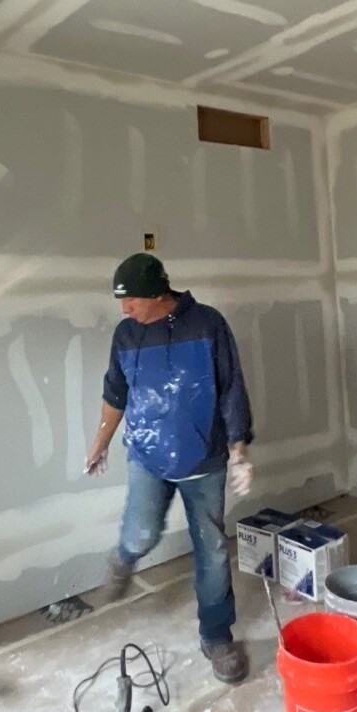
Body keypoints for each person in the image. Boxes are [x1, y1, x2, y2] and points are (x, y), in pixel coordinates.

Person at [86, 254, 254, 684]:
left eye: (131, 300)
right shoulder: (126, 335)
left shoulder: (207, 325)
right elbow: (115, 392)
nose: (125, 309)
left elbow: (231, 387)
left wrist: (239, 449)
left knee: (212, 553)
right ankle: (124, 557)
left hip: (203, 460)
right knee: (141, 534)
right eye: (121, 301)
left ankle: (216, 637)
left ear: (158, 294)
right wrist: (100, 442)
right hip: (147, 457)